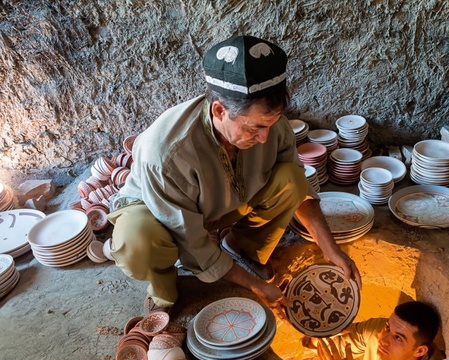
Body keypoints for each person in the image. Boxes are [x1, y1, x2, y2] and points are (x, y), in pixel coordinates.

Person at [107, 35, 361, 318]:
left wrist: (330, 249)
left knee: (291, 178)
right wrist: (256, 287)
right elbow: (188, 238)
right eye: (254, 128)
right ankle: (163, 289)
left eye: (271, 124)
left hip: (221, 204)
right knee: (138, 241)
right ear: (219, 110)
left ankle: (241, 247)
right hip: (161, 214)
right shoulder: (168, 152)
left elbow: (299, 190)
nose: (265, 138)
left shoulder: (270, 128)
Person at [310, 301, 442, 360]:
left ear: (420, 351)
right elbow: (325, 343)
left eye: (398, 338)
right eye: (388, 327)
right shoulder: (377, 331)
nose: (383, 339)